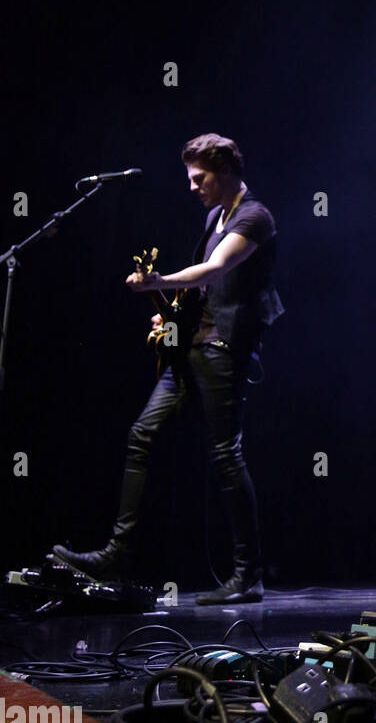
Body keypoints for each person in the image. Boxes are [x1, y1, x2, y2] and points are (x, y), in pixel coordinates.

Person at [52, 133, 283, 606]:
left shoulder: (253, 217)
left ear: (224, 171)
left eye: (199, 178)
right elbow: (202, 289)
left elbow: (217, 269)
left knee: (225, 453)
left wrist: (157, 280)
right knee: (142, 434)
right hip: (193, 344)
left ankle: (248, 574)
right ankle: (118, 552)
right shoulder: (214, 215)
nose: (193, 186)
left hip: (224, 348)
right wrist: (170, 312)